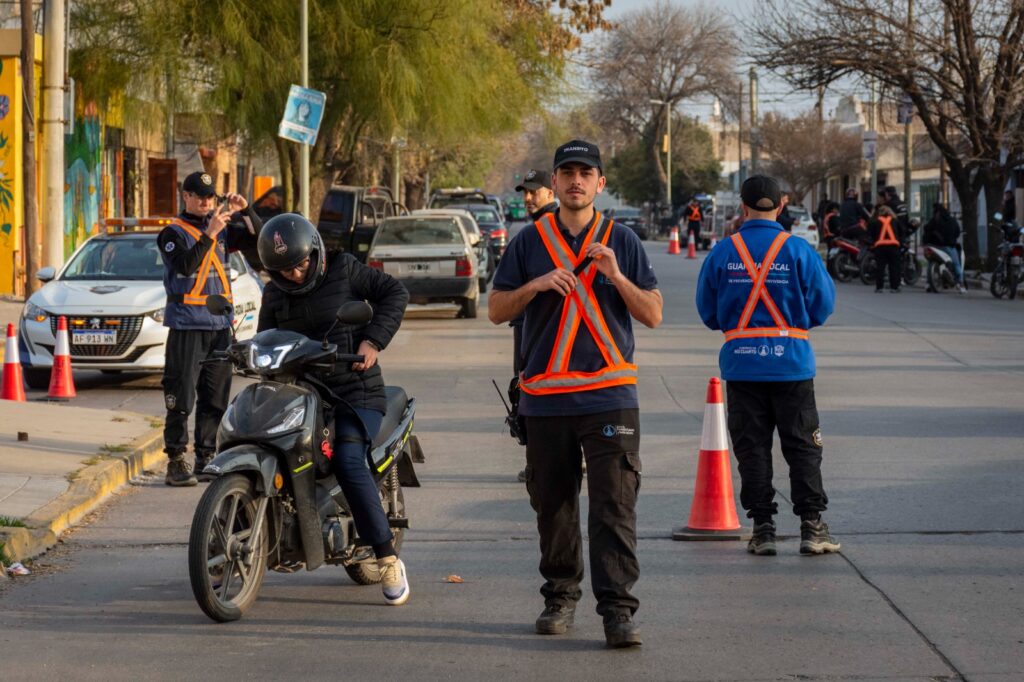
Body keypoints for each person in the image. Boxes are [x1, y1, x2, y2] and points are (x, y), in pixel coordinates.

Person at [489, 139, 662, 648]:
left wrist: (616, 276)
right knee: (554, 506)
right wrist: (536, 285)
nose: (576, 181)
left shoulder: (622, 240)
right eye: (567, 172)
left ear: (600, 183)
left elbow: (653, 313)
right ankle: (560, 596)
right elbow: (497, 309)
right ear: (555, 182)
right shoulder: (528, 242)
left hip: (610, 395)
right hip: (545, 399)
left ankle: (618, 611)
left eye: (586, 173)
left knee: (614, 507)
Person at [256, 213, 412, 605]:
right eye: (284, 270)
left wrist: (373, 340)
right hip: (301, 394)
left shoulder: (344, 269)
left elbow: (395, 293)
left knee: (347, 459)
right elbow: (265, 339)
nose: (294, 275)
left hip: (353, 391)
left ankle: (387, 557)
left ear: (315, 252)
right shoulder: (274, 294)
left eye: (300, 264)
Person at [695, 174, 839, 558]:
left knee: (752, 448)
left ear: (742, 207)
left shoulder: (723, 252)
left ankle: (762, 529)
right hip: (792, 365)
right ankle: (812, 527)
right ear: (781, 205)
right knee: (803, 446)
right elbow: (823, 306)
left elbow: (708, 312)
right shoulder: (798, 250)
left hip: (742, 368)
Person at [158, 171, 261, 487]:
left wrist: (246, 211)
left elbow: (259, 241)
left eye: (210, 197)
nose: (206, 202)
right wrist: (210, 234)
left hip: (219, 327)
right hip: (187, 325)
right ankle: (176, 460)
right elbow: (185, 266)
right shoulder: (172, 233)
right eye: (199, 196)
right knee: (181, 396)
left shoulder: (224, 229)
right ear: (186, 196)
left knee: (215, 398)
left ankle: (206, 457)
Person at [511, 169, 559, 483]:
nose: (528, 198)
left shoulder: (548, 229)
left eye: (534, 192)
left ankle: (542, 463)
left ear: (550, 192)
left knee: (533, 390)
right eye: (525, 193)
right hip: (529, 321)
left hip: (542, 325)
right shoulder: (536, 229)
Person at [923, 203, 966, 293]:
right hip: (948, 247)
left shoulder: (934, 220)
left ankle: (928, 283)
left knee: (930, 262)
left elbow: (926, 229)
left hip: (934, 246)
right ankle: (961, 283)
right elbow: (957, 232)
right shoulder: (952, 220)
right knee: (956, 264)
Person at [868, 205, 905, 293]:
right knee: (894, 267)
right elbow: (902, 232)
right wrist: (900, 242)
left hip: (880, 247)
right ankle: (894, 287)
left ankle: (879, 287)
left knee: (880, 267)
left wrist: (873, 243)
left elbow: (871, 234)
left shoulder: (876, 221)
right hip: (893, 246)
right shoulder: (895, 220)